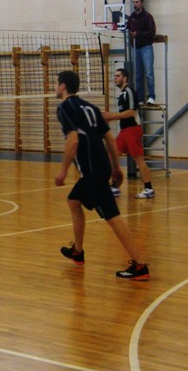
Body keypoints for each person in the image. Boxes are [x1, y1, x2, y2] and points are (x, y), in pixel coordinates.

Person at [54, 70, 150, 281]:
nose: (55, 87)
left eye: (56, 84)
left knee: (112, 217)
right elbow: (109, 138)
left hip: (92, 172)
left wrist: (63, 170)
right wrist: (115, 167)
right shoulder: (90, 107)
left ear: (63, 86)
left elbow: (73, 139)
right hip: (101, 168)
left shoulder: (65, 108)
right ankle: (78, 251)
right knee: (73, 200)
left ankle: (140, 265)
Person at [101, 68, 155, 199]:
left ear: (125, 78)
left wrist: (111, 116)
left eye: (118, 76)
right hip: (124, 131)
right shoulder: (122, 94)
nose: (115, 78)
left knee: (138, 159)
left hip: (132, 130)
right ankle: (114, 187)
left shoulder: (129, 91)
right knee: (112, 155)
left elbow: (131, 112)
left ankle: (148, 189)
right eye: (114, 76)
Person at [127, 0, 157, 104]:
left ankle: (151, 96)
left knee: (148, 73)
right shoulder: (132, 17)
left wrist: (138, 34)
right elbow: (128, 29)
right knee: (138, 74)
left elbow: (151, 31)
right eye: (134, 2)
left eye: (137, 2)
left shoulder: (147, 16)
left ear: (142, 3)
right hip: (136, 48)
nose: (135, 4)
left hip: (146, 47)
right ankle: (140, 98)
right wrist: (130, 34)